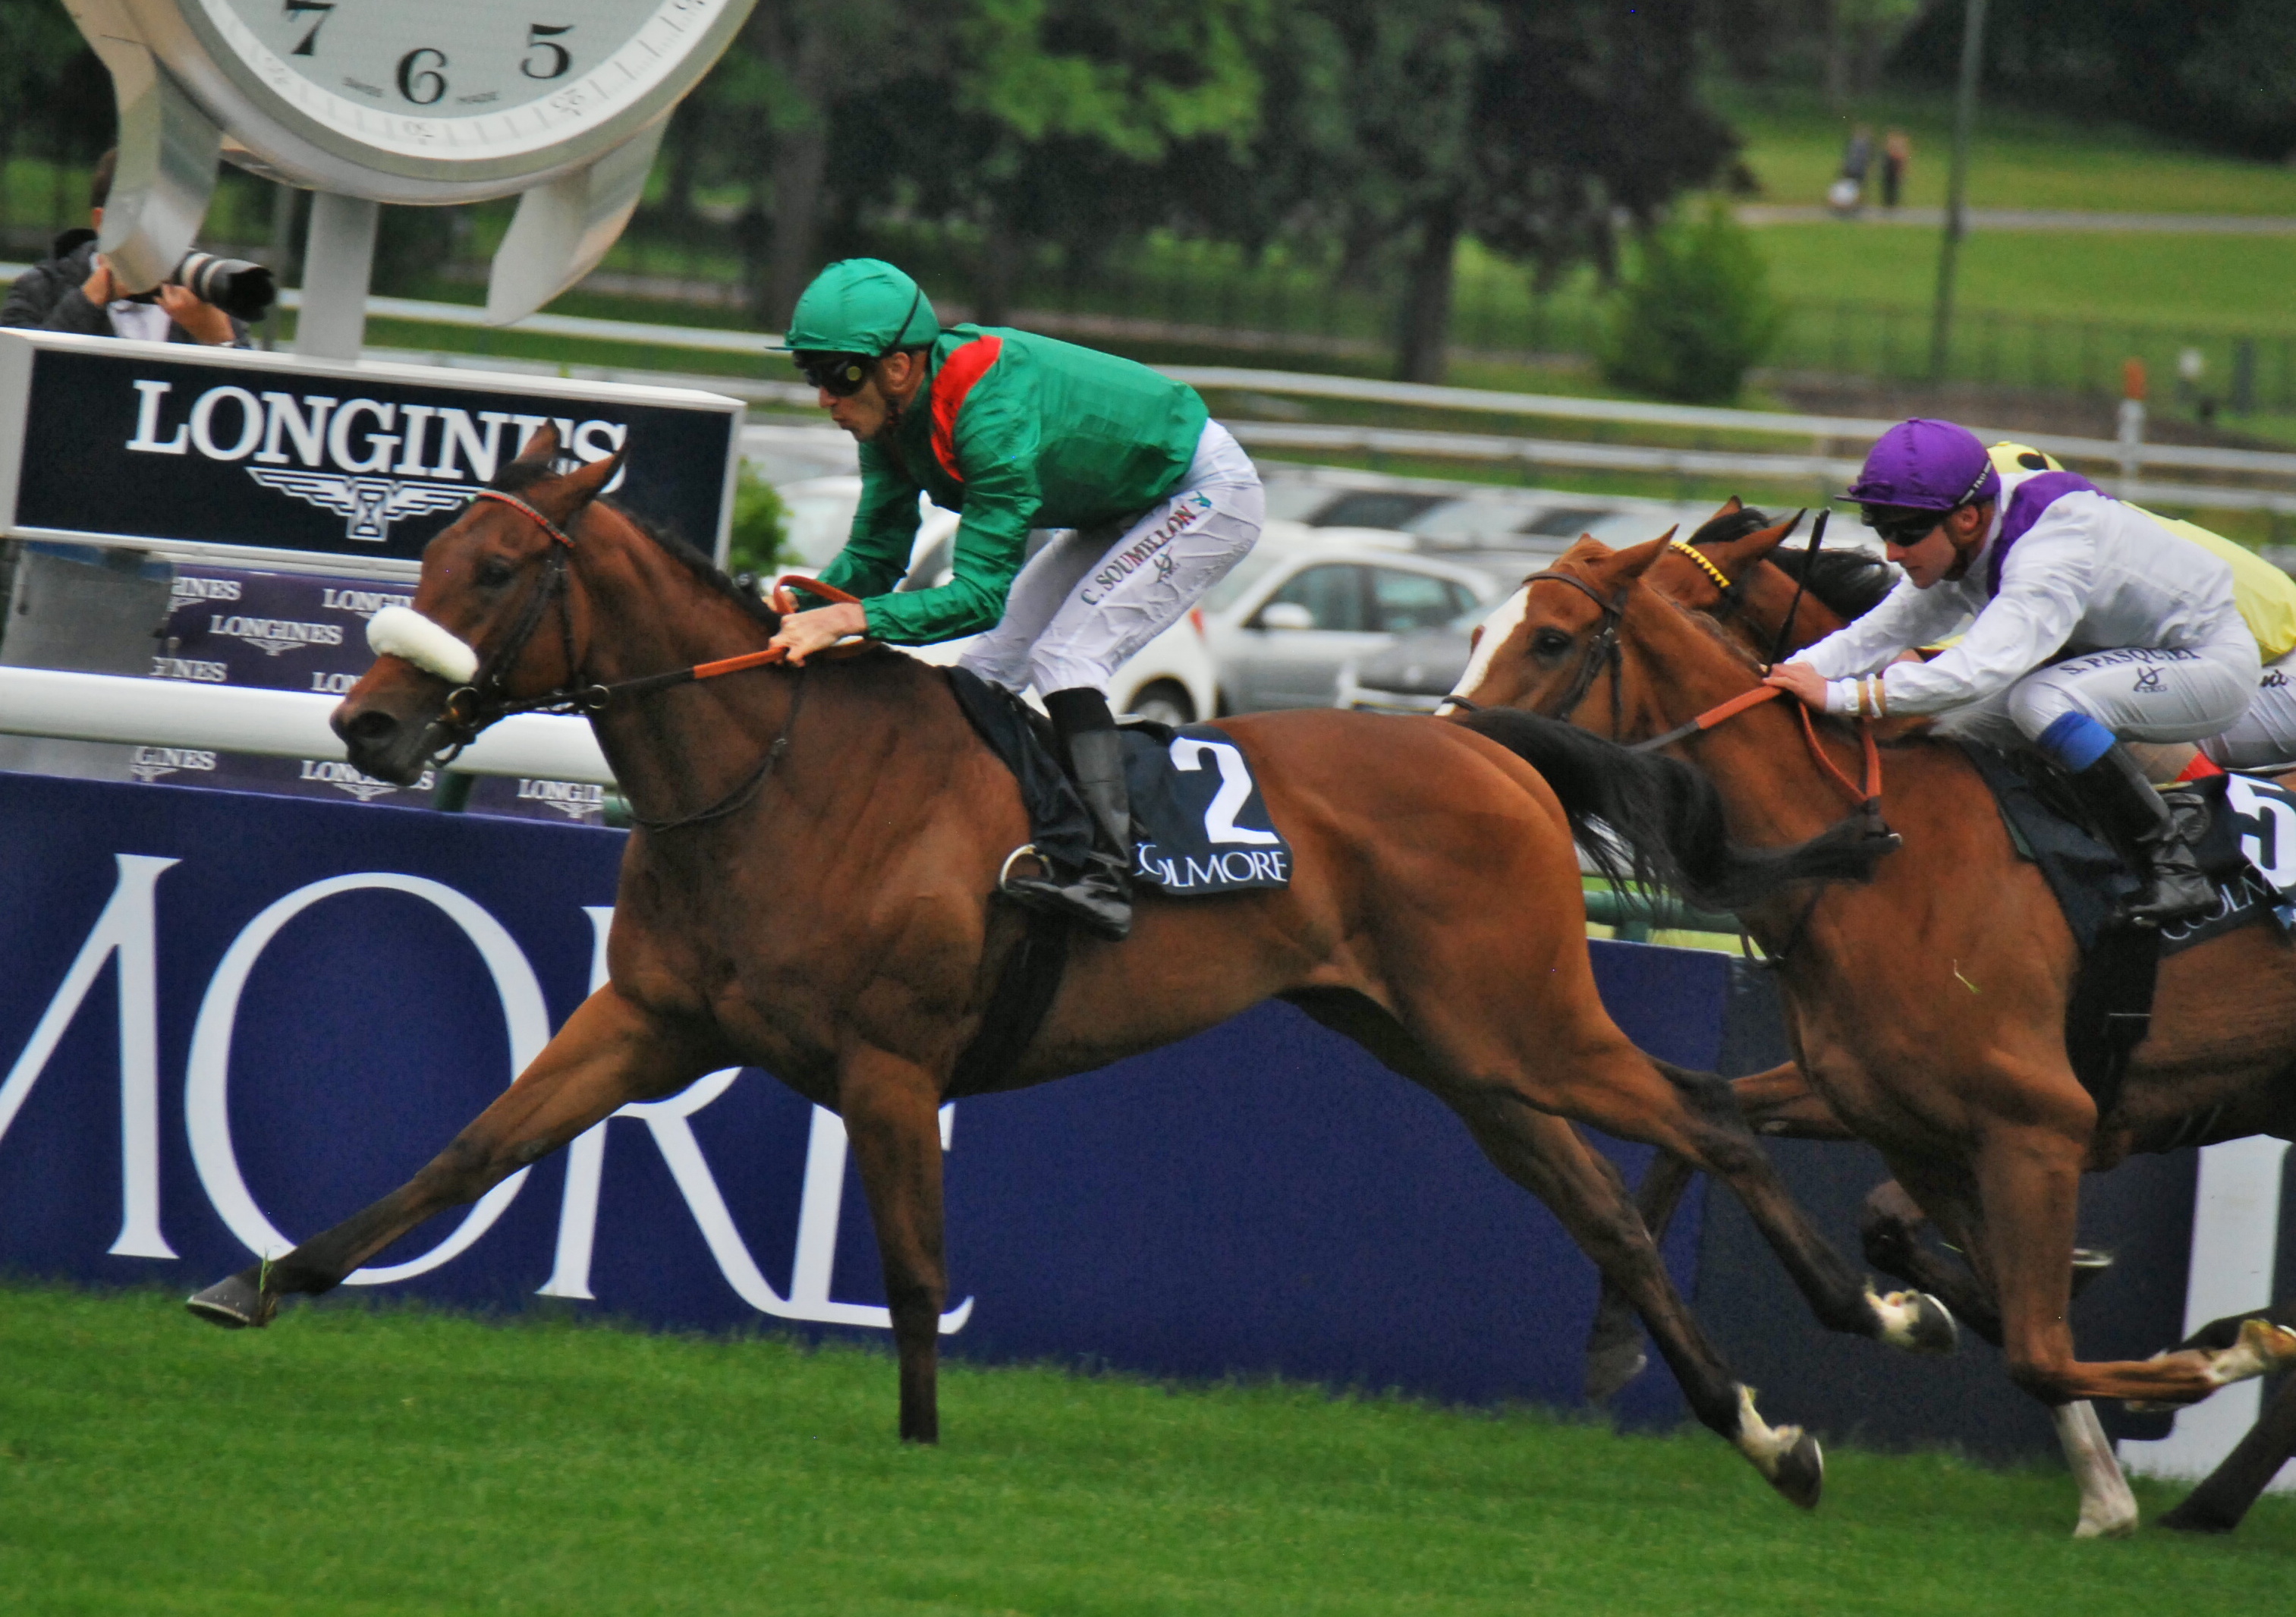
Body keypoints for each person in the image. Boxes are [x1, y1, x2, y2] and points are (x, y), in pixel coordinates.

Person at [769, 258, 1264, 939]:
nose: (825, 397)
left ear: (900, 369)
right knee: (983, 673)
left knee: (1066, 657)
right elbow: (877, 556)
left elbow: (977, 597)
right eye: (812, 374)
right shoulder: (885, 420)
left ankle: (1108, 873)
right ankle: (996, 828)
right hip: (1122, 502)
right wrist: (805, 609)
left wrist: (853, 617)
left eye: (839, 374)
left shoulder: (988, 413)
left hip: (1203, 492)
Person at [1764, 418, 2260, 926]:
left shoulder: (2049, 553)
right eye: (1883, 529)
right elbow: (1874, 635)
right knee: (1953, 731)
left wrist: (1841, 697)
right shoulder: (1971, 531)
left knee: (2039, 702)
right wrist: (1777, 677)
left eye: (1907, 532)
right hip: (2129, 659)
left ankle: (2175, 872)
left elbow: (1970, 673)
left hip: (2209, 665)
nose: (1892, 550)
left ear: (1968, 520)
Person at [1, 149, 244, 346]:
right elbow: (14, 380)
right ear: (102, 222)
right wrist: (89, 299)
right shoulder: (42, 289)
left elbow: (253, 398)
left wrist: (220, 340)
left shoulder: (209, 297)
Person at [1881, 130, 1911, 209]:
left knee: (1894, 187)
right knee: (1887, 186)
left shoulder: (1900, 148)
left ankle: (1892, 203)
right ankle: (1887, 203)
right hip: (1889, 168)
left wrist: (1903, 170)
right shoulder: (1889, 147)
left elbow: (1903, 159)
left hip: (1895, 167)